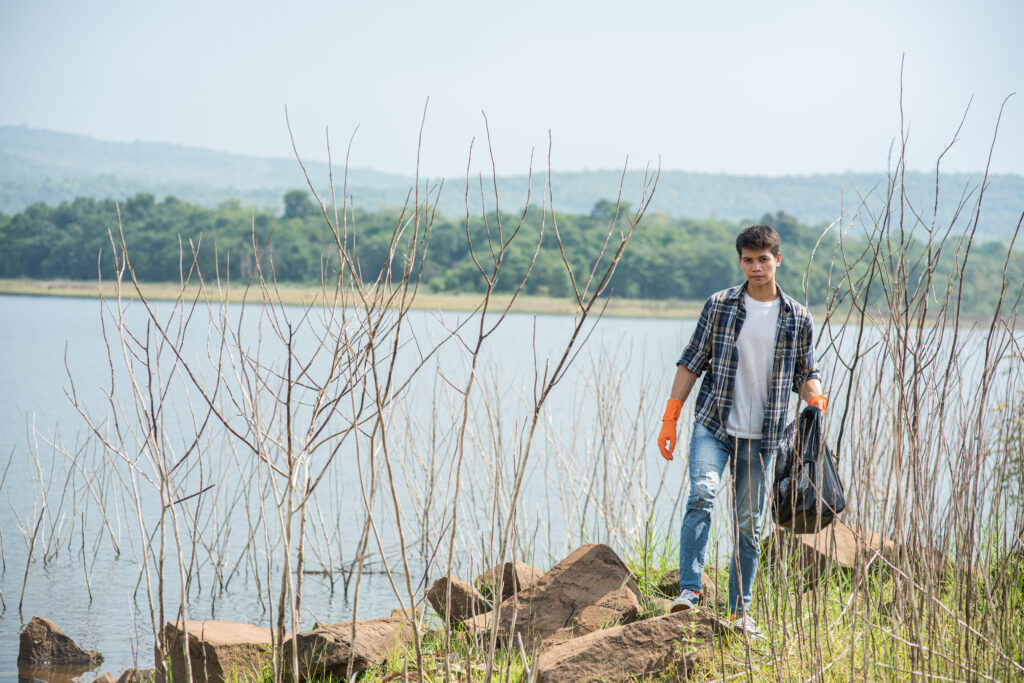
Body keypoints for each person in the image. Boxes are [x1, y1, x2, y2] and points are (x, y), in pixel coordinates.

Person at [657, 224, 826, 639]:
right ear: (740, 261)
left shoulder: (796, 315)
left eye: (763, 259)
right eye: (748, 260)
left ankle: (739, 612)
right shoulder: (719, 305)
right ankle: (689, 591)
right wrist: (671, 415)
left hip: (763, 437)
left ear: (777, 260)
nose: (755, 266)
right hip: (714, 425)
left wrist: (815, 401)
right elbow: (691, 361)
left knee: (749, 526)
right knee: (702, 494)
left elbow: (805, 372)